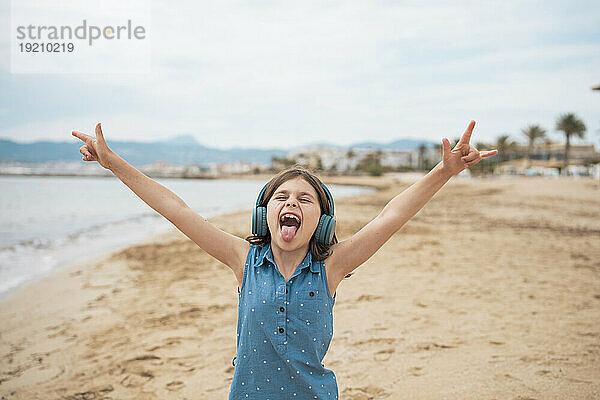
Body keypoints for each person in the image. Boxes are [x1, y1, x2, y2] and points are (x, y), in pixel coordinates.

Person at [71, 121, 497, 399]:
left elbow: (392, 214)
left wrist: (444, 171)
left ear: (321, 220)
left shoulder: (332, 266)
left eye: (304, 199)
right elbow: (175, 208)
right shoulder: (244, 259)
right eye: (281, 197)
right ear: (265, 214)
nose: (291, 202)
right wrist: (112, 163)